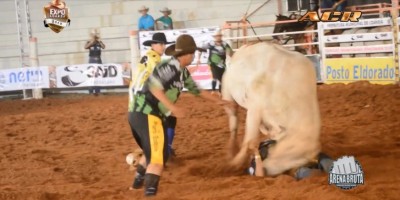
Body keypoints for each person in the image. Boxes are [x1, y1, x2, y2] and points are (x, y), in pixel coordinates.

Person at [128, 34, 224, 196]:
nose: (193, 56)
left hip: (146, 113)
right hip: (147, 113)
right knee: (158, 160)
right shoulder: (170, 66)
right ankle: (150, 194)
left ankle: (136, 185)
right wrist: (172, 107)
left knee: (155, 153)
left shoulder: (181, 71)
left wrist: (220, 101)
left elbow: (197, 90)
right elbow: (154, 87)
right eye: (192, 53)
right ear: (187, 54)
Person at [128, 32, 177, 158]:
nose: (163, 46)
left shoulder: (148, 56)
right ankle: (164, 150)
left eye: (164, 44)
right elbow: (159, 78)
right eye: (161, 44)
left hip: (135, 94)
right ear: (153, 45)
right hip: (144, 95)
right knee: (167, 119)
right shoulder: (154, 59)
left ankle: (157, 149)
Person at [246, 139, 334, 179]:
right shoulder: (256, 161)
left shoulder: (271, 143)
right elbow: (259, 176)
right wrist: (256, 153)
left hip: (311, 158)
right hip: (298, 169)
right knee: (315, 175)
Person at [197, 30, 233, 94]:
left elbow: (230, 52)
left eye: (219, 36)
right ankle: (214, 91)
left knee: (221, 78)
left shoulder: (225, 44)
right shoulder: (211, 44)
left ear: (221, 36)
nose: (218, 37)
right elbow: (201, 49)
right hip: (213, 63)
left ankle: (219, 91)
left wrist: (231, 57)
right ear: (215, 37)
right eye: (217, 36)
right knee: (215, 76)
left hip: (222, 64)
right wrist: (198, 59)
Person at [84, 29, 105, 95]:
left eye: (96, 34)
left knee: (98, 75)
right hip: (92, 59)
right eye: (94, 34)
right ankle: (91, 91)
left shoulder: (99, 42)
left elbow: (103, 47)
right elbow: (85, 47)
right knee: (91, 75)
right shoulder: (89, 41)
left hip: (98, 59)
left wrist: (99, 41)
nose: (95, 35)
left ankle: (97, 91)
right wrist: (92, 41)